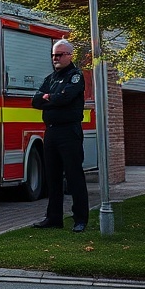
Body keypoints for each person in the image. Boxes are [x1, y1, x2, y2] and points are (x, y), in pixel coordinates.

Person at [31, 39, 90, 232]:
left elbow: (66, 98)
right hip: (51, 131)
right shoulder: (51, 78)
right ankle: (53, 218)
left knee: (74, 176)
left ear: (69, 56)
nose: (55, 58)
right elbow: (35, 101)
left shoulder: (75, 76)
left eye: (59, 55)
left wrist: (49, 97)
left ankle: (80, 219)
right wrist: (49, 98)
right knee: (52, 177)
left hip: (69, 131)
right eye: (53, 55)